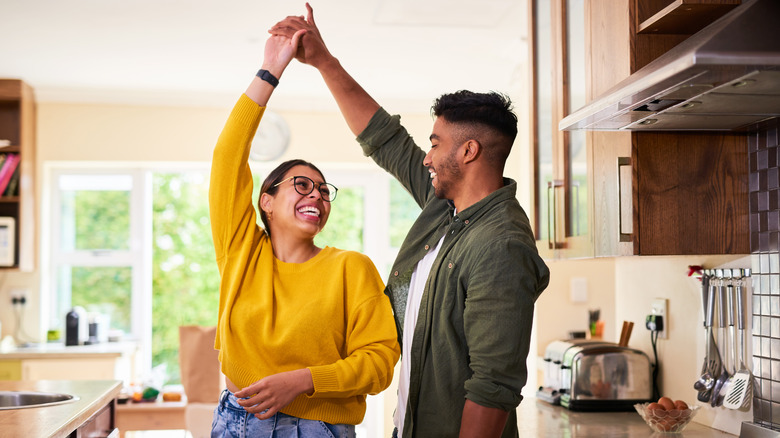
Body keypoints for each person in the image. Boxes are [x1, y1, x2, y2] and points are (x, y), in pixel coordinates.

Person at [270, 5, 551, 438]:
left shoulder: (501, 245)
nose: (427, 156)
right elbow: (385, 140)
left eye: (436, 143)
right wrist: (323, 61)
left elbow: (492, 387)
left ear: (468, 152)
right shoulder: (447, 208)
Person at [208, 29, 400, 438]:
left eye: (323, 189)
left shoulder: (351, 268)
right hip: (233, 421)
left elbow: (381, 360)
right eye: (301, 184)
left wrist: (303, 380)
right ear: (267, 201)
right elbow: (227, 157)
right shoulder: (240, 251)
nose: (316, 194)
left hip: (315, 428)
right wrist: (271, 69)